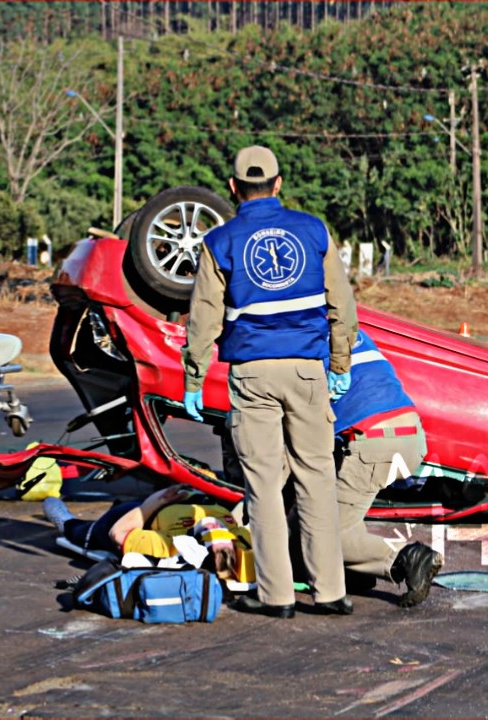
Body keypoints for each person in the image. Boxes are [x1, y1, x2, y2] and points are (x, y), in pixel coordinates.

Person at [182, 145, 357, 619]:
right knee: (317, 478)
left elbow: (203, 319)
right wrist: (339, 366)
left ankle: (276, 595)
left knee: (262, 485)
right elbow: (343, 307)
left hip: (252, 374)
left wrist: (194, 377)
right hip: (306, 369)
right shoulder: (314, 230)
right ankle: (330, 592)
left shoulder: (220, 242)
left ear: (234, 189)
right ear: (279, 184)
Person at [299, 329, 442, 607]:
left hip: (375, 440)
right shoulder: (348, 330)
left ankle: (408, 558)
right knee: (343, 515)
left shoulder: (298, 342)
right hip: (408, 432)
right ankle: (354, 570)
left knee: (321, 535)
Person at [42, 487, 247, 582]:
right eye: (221, 533)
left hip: (128, 516)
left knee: (73, 527)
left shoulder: (173, 545)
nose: (213, 526)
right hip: (173, 497)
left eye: (209, 533)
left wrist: (159, 501)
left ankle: (57, 509)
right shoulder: (237, 534)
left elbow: (118, 533)